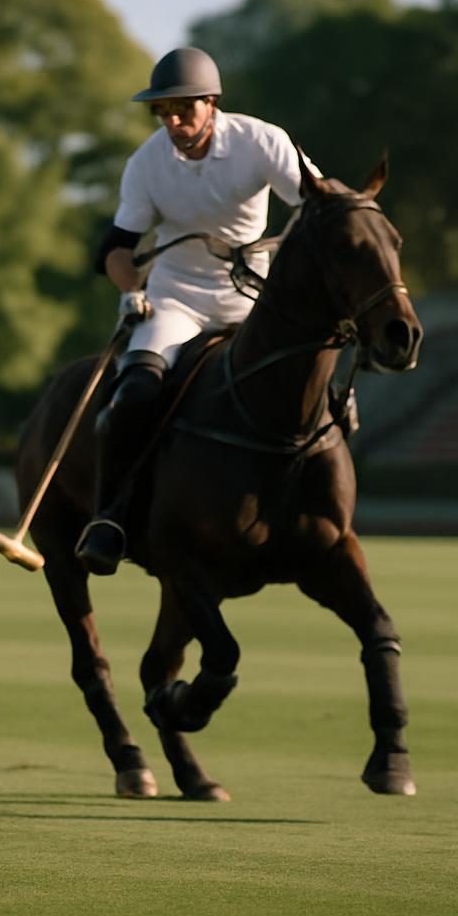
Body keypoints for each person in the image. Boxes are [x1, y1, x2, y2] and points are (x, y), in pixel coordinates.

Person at [75, 46, 320, 575]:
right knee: (134, 393)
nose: (174, 122)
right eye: (164, 112)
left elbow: (318, 205)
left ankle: (317, 498)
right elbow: (116, 247)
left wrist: (292, 247)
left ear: (212, 103)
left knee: (310, 370)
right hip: (175, 296)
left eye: (185, 109)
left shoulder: (261, 141)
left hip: (253, 295)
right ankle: (111, 517)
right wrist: (129, 288)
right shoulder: (147, 163)